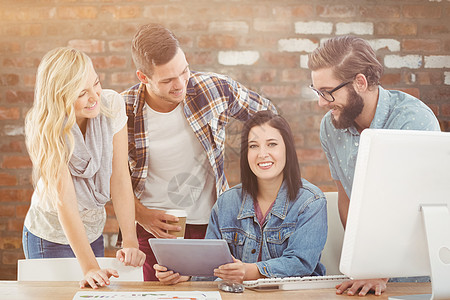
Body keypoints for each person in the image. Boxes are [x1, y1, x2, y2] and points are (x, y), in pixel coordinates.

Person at [121, 23, 277, 281]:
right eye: (168, 80)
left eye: (184, 71)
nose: (181, 84)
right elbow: (110, 175)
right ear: (143, 77)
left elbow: (270, 118)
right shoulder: (124, 109)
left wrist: (256, 171)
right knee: (160, 296)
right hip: (154, 230)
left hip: (212, 223)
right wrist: (140, 213)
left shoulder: (214, 88)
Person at [308, 35, 440, 296]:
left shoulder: (413, 121)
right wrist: (365, 265)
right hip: (369, 275)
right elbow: (346, 198)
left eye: (327, 92)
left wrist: (381, 270)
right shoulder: (330, 126)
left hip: (420, 279)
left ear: (360, 82)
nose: (321, 103)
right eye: (317, 92)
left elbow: (420, 210)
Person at [154, 110, 327, 284]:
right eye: (253, 146)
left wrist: (248, 271)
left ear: (288, 150)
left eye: (272, 144)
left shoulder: (310, 202)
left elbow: (301, 263)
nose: (262, 154)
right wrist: (185, 274)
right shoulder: (227, 203)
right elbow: (210, 264)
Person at [22, 47, 146, 289]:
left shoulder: (111, 105)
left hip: (91, 233)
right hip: (49, 236)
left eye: (96, 83)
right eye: (82, 93)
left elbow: (119, 177)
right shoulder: (46, 129)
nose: (95, 97)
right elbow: (64, 202)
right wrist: (90, 267)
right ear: (61, 98)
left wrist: (130, 240)